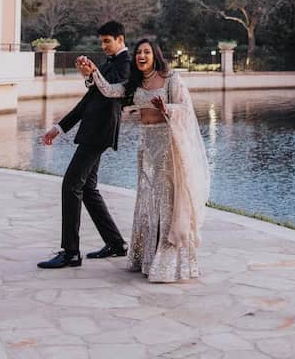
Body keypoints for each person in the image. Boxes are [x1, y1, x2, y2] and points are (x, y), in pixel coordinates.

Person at [82, 38, 211, 282]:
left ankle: (167, 262)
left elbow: (186, 108)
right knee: (146, 199)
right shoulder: (135, 83)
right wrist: (93, 73)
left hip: (166, 144)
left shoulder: (171, 79)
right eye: (138, 52)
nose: (141, 56)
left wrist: (167, 108)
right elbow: (110, 91)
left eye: (146, 52)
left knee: (164, 200)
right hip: (145, 144)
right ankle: (145, 258)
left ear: (155, 55)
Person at [36, 21, 130, 269]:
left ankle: (71, 252)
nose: (104, 46)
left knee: (71, 185)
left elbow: (110, 92)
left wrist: (93, 73)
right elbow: (89, 100)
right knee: (87, 188)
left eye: (107, 41)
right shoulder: (110, 63)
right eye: (102, 42)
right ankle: (116, 243)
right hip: (92, 130)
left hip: (100, 132)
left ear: (120, 39)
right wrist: (58, 128)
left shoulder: (125, 63)